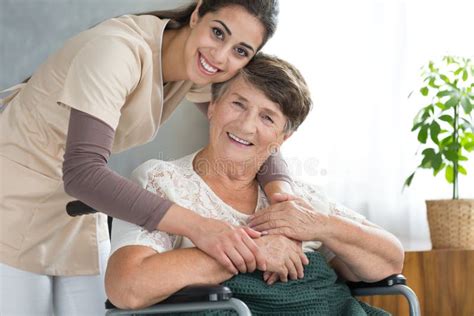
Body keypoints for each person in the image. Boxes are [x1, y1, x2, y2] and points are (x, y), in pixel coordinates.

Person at [0, 1, 301, 315]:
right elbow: (82, 173)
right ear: (197, 13)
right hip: (14, 202)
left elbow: (244, 135)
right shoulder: (116, 52)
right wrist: (200, 227)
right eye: (217, 32)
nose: (220, 56)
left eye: (241, 51)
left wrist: (284, 201)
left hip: (77, 213)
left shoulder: (195, 68)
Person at [105, 54, 405, 313]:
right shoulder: (162, 182)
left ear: (282, 139)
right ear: (212, 106)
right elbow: (127, 287)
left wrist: (319, 226)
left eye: (267, 117)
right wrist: (257, 251)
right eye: (238, 104)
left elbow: (390, 261)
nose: (246, 125)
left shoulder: (296, 200)